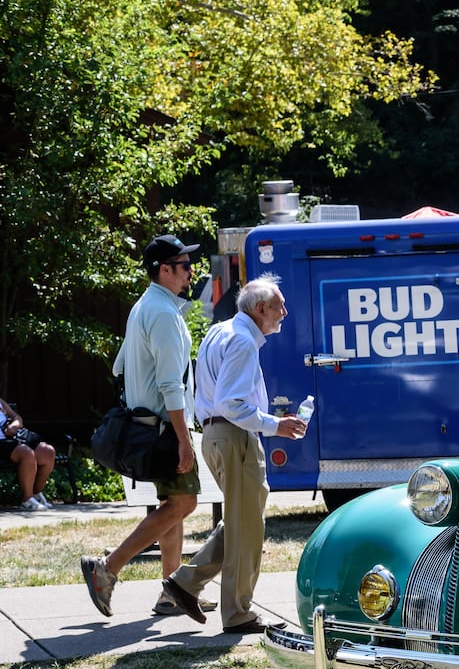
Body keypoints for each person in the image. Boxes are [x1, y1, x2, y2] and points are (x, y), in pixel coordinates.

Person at [155, 276, 306, 634]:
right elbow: (231, 402)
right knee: (248, 528)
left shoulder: (220, 331)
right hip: (234, 434)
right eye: (280, 306)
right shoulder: (242, 340)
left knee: (242, 521)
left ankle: (185, 583)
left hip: (216, 434)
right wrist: (275, 425)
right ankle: (238, 613)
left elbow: (205, 392)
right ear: (260, 309)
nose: (284, 312)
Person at [81, 235, 202, 617]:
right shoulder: (164, 314)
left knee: (172, 504)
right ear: (163, 270)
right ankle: (107, 568)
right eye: (184, 266)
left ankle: (173, 589)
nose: (190, 271)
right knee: (183, 502)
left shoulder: (144, 307)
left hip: (147, 427)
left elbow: (119, 367)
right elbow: (170, 384)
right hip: (165, 429)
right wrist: (184, 440)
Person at [1, 397, 57, 510]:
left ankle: (35, 494)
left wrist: (15, 425)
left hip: (12, 439)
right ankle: (27, 500)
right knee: (26, 453)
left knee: (47, 452)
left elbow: (16, 417)